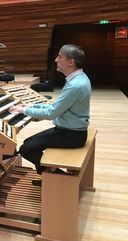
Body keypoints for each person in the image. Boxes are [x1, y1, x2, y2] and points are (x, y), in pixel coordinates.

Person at [9, 44, 91, 186]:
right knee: (29, 142)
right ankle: (51, 175)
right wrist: (31, 106)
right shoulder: (79, 79)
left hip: (72, 135)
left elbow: (51, 113)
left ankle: (58, 179)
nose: (56, 60)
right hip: (69, 131)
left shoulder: (75, 85)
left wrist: (23, 110)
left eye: (60, 56)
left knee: (26, 149)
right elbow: (56, 107)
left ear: (71, 62)